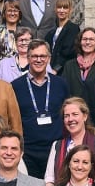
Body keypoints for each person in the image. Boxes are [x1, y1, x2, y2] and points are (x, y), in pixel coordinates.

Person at [12, 40, 71, 178]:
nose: (39, 60)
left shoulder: (61, 84)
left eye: (43, 56)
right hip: (27, 153)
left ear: (49, 58)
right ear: (28, 58)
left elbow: (68, 116)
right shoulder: (15, 87)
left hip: (56, 151)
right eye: (34, 56)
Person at [44, 97, 95, 186]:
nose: (70, 119)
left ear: (85, 116)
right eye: (66, 116)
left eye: (75, 114)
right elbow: (49, 178)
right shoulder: (57, 145)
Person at [63, 27, 95, 102]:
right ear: (80, 42)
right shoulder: (69, 65)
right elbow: (64, 89)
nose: (87, 42)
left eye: (91, 39)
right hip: (74, 108)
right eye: (84, 39)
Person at [43, 0, 79, 75]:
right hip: (49, 69)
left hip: (65, 71)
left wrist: (55, 69)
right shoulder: (51, 33)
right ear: (55, 9)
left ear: (70, 10)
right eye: (59, 7)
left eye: (65, 8)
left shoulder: (73, 28)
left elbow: (67, 52)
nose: (62, 10)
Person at [0, 1, 26, 68]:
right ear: (4, 13)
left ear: (19, 14)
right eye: (9, 11)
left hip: (20, 74)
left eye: (15, 11)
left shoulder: (25, 33)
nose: (12, 13)